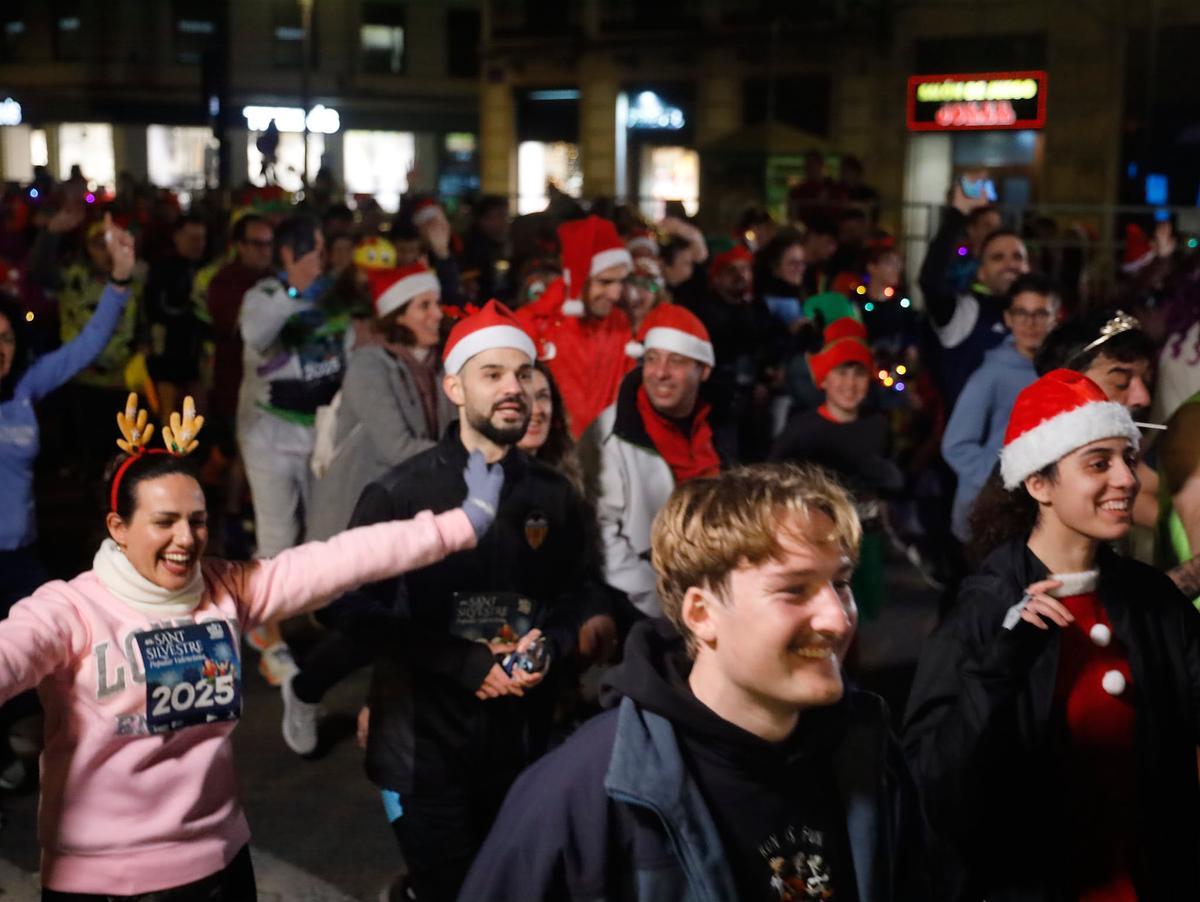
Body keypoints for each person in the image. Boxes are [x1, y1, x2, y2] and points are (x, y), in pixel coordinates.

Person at [0, 392, 499, 900]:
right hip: (101, 881)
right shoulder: (71, 611)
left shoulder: (227, 588)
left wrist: (460, 523)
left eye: (196, 520)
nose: (186, 538)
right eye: (164, 521)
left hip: (219, 865)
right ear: (118, 529)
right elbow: (10, 652)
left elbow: (341, 559)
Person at [461, 463, 928, 901]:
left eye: (840, 584)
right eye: (794, 589)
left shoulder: (866, 749)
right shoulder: (583, 792)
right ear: (702, 615)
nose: (838, 619)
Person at [281, 301, 610, 899]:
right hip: (423, 751)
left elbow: (577, 591)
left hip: (523, 745)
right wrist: (459, 662)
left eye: (524, 374)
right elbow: (344, 606)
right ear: (455, 387)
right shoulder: (402, 492)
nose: (515, 389)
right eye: (493, 375)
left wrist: (551, 646)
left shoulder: (554, 495)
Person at [905, 369, 1200, 901]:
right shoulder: (984, 608)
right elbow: (932, 788)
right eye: (1098, 463)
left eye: (1128, 459)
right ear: (1038, 483)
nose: (1127, 479)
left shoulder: (1151, 600)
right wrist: (999, 665)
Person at [237, 213, 345, 684]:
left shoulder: (335, 295)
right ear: (289, 255)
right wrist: (296, 292)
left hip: (318, 436)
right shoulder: (262, 297)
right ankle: (268, 633)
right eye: (315, 251)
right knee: (278, 540)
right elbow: (255, 335)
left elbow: (349, 348)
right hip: (269, 436)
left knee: (320, 536)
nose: (322, 260)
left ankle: (307, 612)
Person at [583, 304, 720, 617]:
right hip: (641, 606)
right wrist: (659, 602)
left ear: (704, 370)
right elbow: (602, 536)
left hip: (717, 588)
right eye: (652, 359)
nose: (660, 372)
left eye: (677, 361)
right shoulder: (609, 433)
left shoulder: (724, 424)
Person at [307, 262, 452, 542]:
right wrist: (466, 457)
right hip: (360, 516)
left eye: (437, 303)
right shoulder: (369, 366)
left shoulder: (442, 366)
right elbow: (396, 448)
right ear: (397, 316)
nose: (437, 314)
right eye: (424, 306)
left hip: (413, 509)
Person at [771, 318, 902, 622]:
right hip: (818, 538)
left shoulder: (877, 424)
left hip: (866, 535)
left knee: (864, 613)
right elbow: (774, 482)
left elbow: (884, 478)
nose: (850, 383)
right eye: (841, 373)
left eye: (858, 374)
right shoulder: (801, 430)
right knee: (826, 612)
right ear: (824, 380)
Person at [941, 274, 1058, 543]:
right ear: (1008, 318)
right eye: (1021, 313)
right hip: (988, 513)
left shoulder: (1058, 372)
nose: (1030, 323)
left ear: (1055, 318)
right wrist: (1001, 482)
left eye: (1040, 314)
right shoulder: (990, 374)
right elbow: (956, 445)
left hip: (1034, 511)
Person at [516, 214, 635, 439]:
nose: (616, 293)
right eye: (605, 282)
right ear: (579, 277)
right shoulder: (532, 323)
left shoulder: (620, 323)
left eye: (620, 281)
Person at [919, 179, 1030, 410]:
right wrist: (958, 213)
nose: (1010, 264)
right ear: (980, 272)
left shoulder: (1041, 316)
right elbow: (930, 281)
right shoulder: (966, 312)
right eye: (998, 258)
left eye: (1018, 257)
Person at [143, 213, 210, 416]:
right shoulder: (162, 270)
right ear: (177, 237)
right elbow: (157, 311)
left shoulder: (202, 269)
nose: (198, 244)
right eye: (192, 238)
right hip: (168, 360)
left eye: (201, 238)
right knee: (169, 416)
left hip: (194, 358)